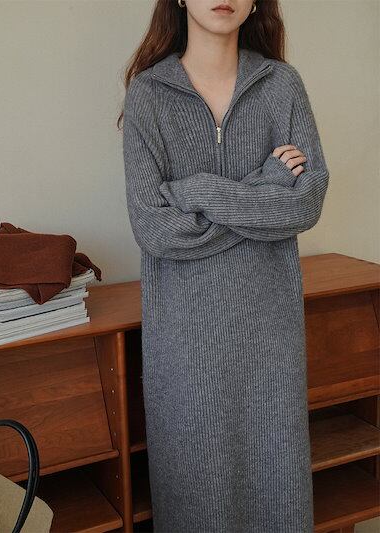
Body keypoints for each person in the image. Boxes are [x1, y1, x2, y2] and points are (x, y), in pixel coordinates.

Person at [118, 0, 329, 531]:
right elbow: (156, 230)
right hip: (185, 344)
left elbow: (304, 205)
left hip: (270, 338)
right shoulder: (149, 94)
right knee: (198, 500)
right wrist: (266, 185)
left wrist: (193, 192)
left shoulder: (281, 85)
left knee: (277, 494)